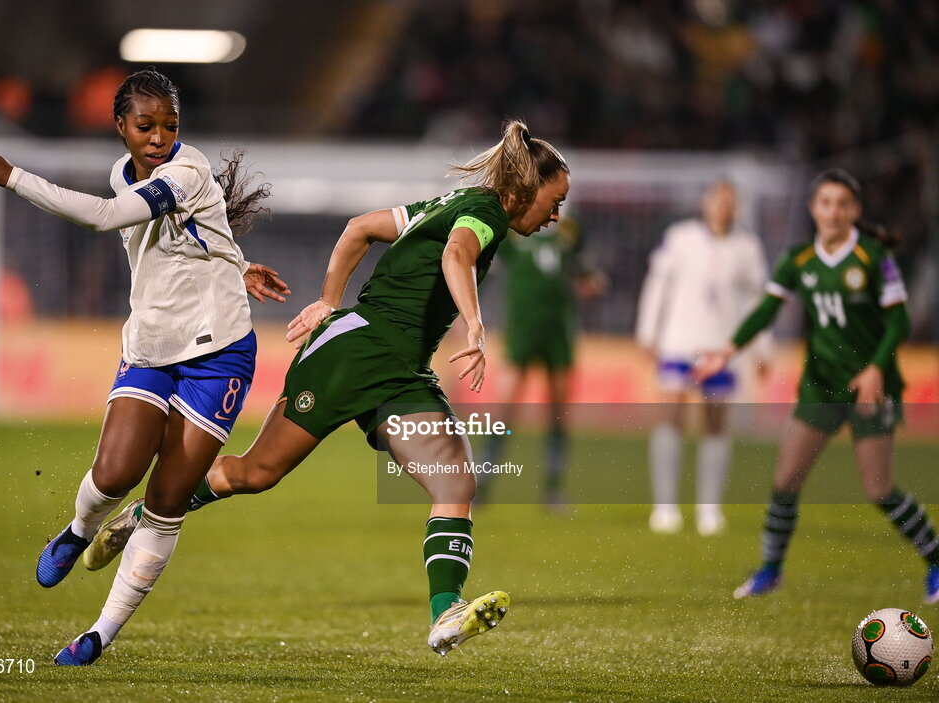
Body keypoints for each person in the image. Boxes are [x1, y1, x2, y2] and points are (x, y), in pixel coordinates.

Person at [88, 119, 571, 655]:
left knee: (455, 484)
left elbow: (360, 227)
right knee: (256, 471)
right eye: (554, 202)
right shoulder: (484, 215)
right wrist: (474, 324)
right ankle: (146, 512)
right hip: (355, 353)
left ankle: (445, 613)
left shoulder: (455, 202)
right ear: (519, 192)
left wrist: (328, 300)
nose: (556, 215)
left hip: (402, 369)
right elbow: (455, 254)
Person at [0, 68, 290, 665]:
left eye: (170, 125)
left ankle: (99, 634)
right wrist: (238, 263)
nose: (159, 137)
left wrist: (14, 177)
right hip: (152, 346)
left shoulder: (186, 172)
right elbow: (193, 240)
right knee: (114, 475)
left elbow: (106, 218)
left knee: (166, 501)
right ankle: (79, 530)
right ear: (121, 127)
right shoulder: (121, 173)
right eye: (145, 126)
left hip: (219, 355)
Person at [695, 169, 939, 602]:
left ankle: (937, 563)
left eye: (842, 204)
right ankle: (770, 571)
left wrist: (876, 369)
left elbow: (898, 321)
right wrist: (727, 350)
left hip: (870, 387)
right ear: (813, 209)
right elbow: (766, 311)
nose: (833, 212)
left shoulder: (873, 257)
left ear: (855, 211)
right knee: (786, 481)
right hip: (821, 385)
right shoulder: (798, 260)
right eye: (825, 203)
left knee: (879, 490)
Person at [636, 180, 771, 535]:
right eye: (717, 198)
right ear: (706, 202)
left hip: (720, 346)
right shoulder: (679, 237)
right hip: (678, 341)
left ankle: (709, 509)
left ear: (736, 206)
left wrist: (763, 347)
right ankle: (665, 507)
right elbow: (656, 285)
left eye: (730, 200)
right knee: (670, 417)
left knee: (715, 424)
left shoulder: (747, 246)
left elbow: (759, 300)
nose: (723, 206)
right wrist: (647, 333)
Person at [477, 212, 605, 508]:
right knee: (504, 411)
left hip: (558, 332)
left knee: (558, 413)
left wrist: (591, 283)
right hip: (521, 331)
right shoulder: (511, 231)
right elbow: (482, 266)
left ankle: (553, 489)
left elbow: (585, 272)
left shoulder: (571, 231)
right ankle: (481, 485)